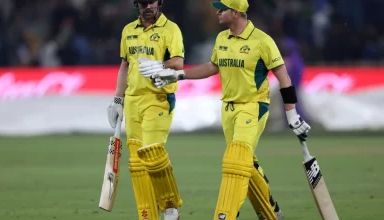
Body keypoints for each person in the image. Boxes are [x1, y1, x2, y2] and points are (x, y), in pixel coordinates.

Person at [138, 0, 311, 219]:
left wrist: (292, 115)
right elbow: (212, 67)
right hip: (228, 109)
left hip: (253, 107)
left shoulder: (262, 41)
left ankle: (225, 215)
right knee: (245, 162)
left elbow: (284, 78)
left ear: (237, 12)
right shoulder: (221, 38)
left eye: (222, 9)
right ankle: (271, 212)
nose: (217, 12)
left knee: (235, 160)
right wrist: (177, 75)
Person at [106, 0, 184, 219]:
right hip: (132, 100)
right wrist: (118, 100)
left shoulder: (171, 29)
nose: (146, 6)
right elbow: (125, 66)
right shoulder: (128, 30)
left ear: (159, 2)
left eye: (151, 1)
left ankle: (170, 205)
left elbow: (178, 61)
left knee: (152, 152)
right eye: (142, 2)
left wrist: (162, 65)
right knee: (137, 162)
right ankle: (147, 214)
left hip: (158, 97)